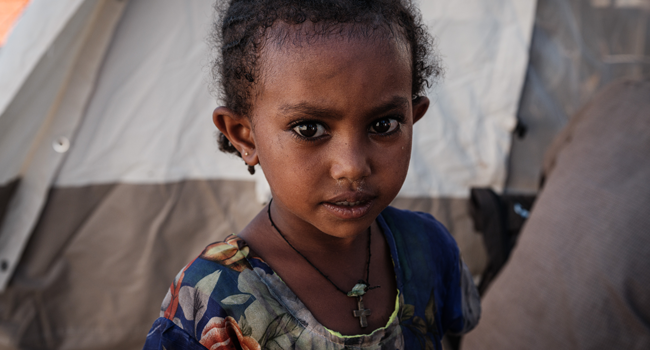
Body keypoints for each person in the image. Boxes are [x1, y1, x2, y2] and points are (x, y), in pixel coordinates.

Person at [143, 0, 480, 349]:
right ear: (244, 135)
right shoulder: (210, 300)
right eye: (308, 128)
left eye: (384, 124)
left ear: (414, 117)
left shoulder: (428, 247)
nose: (351, 167)